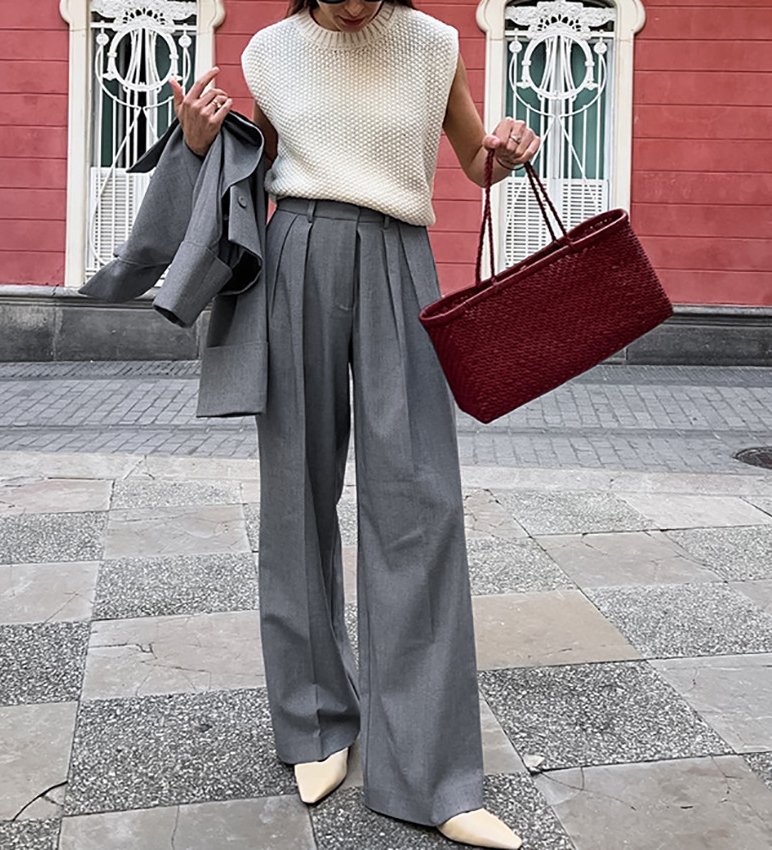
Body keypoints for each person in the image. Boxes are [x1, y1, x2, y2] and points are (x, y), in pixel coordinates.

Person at [170, 1, 539, 846]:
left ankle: (435, 775)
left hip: (401, 257)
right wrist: (197, 142)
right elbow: (252, 171)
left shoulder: (433, 43)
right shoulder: (270, 50)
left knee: (421, 502)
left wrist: (507, 153)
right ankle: (315, 724)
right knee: (295, 493)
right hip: (294, 255)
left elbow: (473, 162)